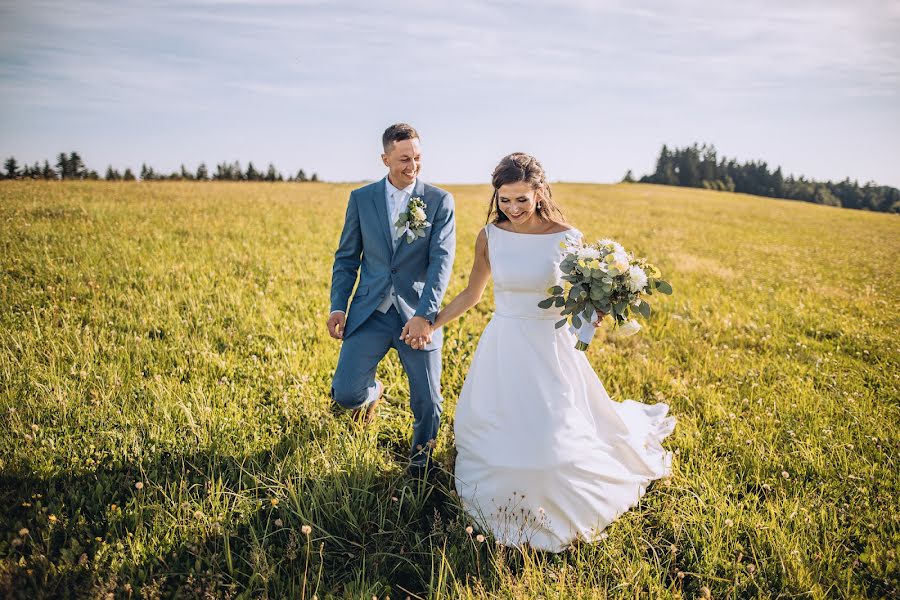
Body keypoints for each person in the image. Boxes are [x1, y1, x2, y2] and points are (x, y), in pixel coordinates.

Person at [424, 152, 675, 551]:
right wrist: (432, 322)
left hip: (550, 348)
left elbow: (581, 298)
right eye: (505, 199)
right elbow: (473, 295)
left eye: (521, 199)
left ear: (539, 192)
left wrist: (601, 306)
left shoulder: (567, 237)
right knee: (497, 435)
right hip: (504, 346)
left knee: (553, 445)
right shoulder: (490, 236)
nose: (513, 208)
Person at [327, 123, 456, 477]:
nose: (412, 165)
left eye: (417, 158)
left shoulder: (439, 201)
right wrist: (338, 305)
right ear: (385, 159)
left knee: (428, 402)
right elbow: (347, 257)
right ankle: (373, 393)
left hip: (416, 314)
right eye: (403, 159)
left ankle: (421, 468)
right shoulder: (361, 199)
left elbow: (441, 262)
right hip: (370, 312)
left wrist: (425, 315)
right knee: (345, 395)